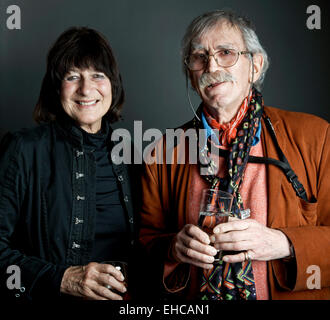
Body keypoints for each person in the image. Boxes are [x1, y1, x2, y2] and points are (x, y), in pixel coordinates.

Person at [139, 10, 329, 300]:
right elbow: (142, 248)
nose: (211, 65)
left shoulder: (316, 137)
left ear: (255, 65)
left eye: (225, 52)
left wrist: (285, 243)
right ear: (192, 76)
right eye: (199, 57)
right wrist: (172, 247)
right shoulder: (162, 153)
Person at [0, 27, 139, 300]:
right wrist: (62, 279)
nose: (86, 89)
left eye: (97, 75)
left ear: (113, 84)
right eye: (72, 76)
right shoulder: (23, 150)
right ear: (56, 87)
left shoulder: (128, 153)